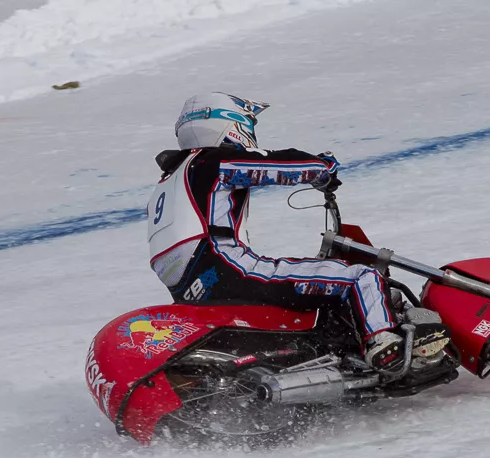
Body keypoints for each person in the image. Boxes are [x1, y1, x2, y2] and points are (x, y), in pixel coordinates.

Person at [146, 92, 449, 371]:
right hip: (229, 268)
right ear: (230, 124)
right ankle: (384, 345)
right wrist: (322, 169)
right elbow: (281, 165)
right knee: (359, 277)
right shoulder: (209, 161)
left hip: (191, 290)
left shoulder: (167, 184)